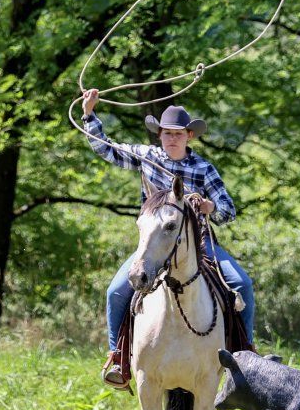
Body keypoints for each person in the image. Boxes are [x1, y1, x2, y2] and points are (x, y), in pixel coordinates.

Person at [80, 89, 255, 388]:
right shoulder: (147, 157)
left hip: (199, 245)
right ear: (159, 134)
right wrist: (89, 114)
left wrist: (210, 207)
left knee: (241, 284)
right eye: (165, 133)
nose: (171, 139)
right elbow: (106, 148)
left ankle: (245, 358)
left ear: (189, 136)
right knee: (116, 292)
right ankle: (119, 358)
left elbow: (229, 210)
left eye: (177, 134)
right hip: (155, 246)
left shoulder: (203, 169)